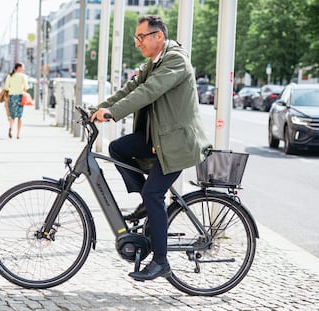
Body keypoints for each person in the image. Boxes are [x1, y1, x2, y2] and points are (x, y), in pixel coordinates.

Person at [91, 15, 211, 281]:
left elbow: (149, 92)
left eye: (141, 37)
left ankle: (160, 261)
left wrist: (112, 113)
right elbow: (131, 88)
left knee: (155, 194)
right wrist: (95, 109)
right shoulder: (154, 63)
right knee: (118, 148)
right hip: (159, 139)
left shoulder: (175, 60)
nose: (137, 43)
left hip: (178, 143)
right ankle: (146, 202)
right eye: (137, 38)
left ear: (159, 36)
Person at [4, 63, 29, 139]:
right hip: (19, 97)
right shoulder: (23, 76)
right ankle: (18, 134)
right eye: (22, 68)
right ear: (19, 68)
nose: (23, 69)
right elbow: (26, 87)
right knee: (19, 116)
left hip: (11, 97)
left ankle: (11, 128)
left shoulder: (10, 75)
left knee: (12, 115)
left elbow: (6, 87)